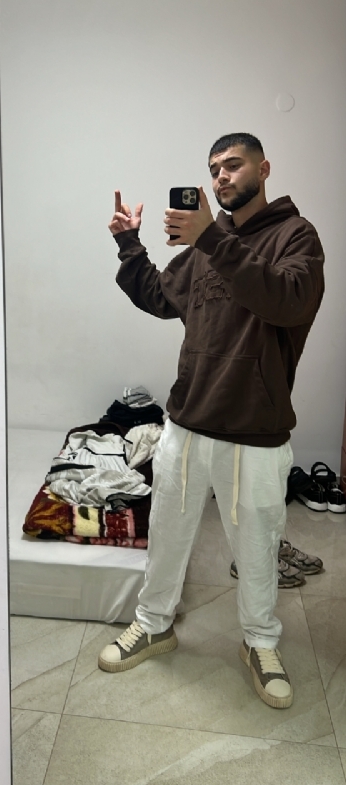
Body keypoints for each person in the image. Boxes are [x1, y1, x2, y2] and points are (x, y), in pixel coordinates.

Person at [98, 132, 324, 709]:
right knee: (168, 536)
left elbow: (287, 301)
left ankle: (259, 641)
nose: (221, 176)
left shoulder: (296, 236)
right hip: (187, 422)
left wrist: (212, 239)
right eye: (214, 168)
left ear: (263, 169)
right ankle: (154, 624)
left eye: (233, 165)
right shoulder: (206, 243)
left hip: (256, 431)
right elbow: (159, 296)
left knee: (257, 547)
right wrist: (129, 243)